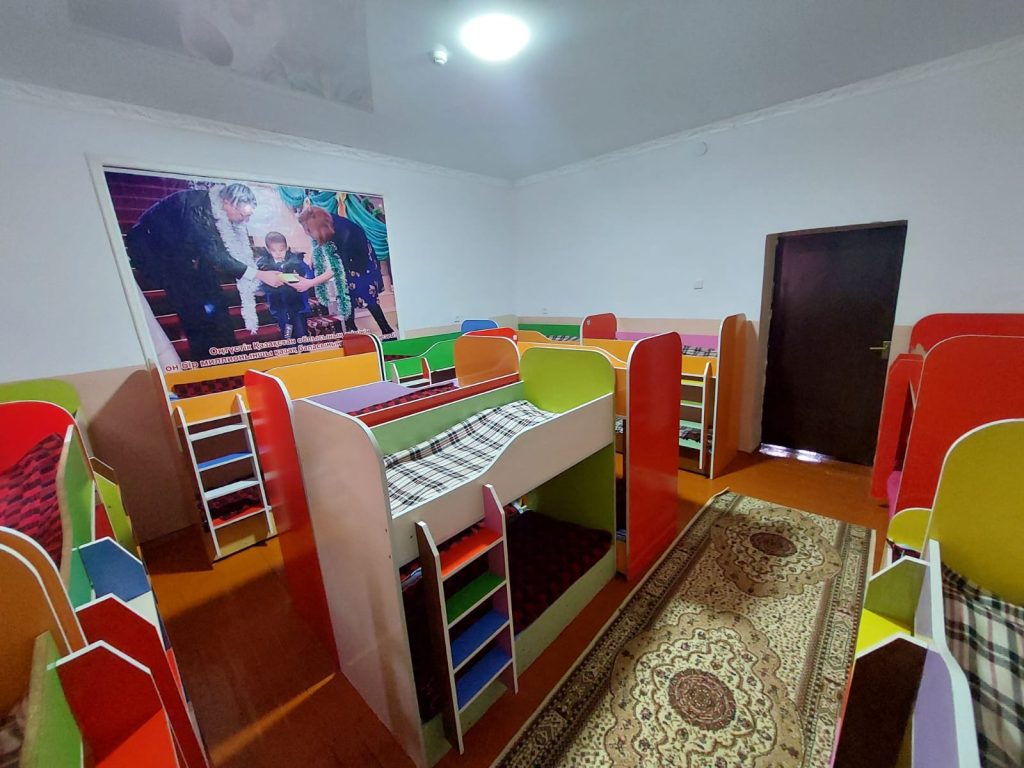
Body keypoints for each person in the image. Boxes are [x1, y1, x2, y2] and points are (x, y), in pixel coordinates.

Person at [126, 183, 285, 361]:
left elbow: (223, 252)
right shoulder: (196, 209)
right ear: (227, 203)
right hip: (155, 251)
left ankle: (230, 354)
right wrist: (260, 275)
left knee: (218, 303)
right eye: (243, 215)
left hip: (190, 253)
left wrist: (256, 275)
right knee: (193, 310)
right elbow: (217, 256)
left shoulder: (218, 209)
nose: (245, 221)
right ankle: (205, 360)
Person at [296, 206, 395, 335]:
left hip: (361, 264)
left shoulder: (345, 234)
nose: (306, 232)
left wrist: (310, 283)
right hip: (349, 260)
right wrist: (312, 255)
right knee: (346, 296)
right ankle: (351, 330)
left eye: (308, 230)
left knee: (366, 296)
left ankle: (387, 331)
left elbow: (337, 268)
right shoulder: (324, 220)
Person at [255, 231, 327, 339]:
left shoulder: (296, 260)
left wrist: (295, 277)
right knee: (287, 332)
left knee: (300, 330)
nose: (278, 253)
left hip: (296, 304)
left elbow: (307, 275)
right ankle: (290, 346)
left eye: (281, 250)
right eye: (274, 250)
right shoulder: (264, 265)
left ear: (286, 248)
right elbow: (262, 285)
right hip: (279, 305)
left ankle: (303, 345)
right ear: (268, 250)